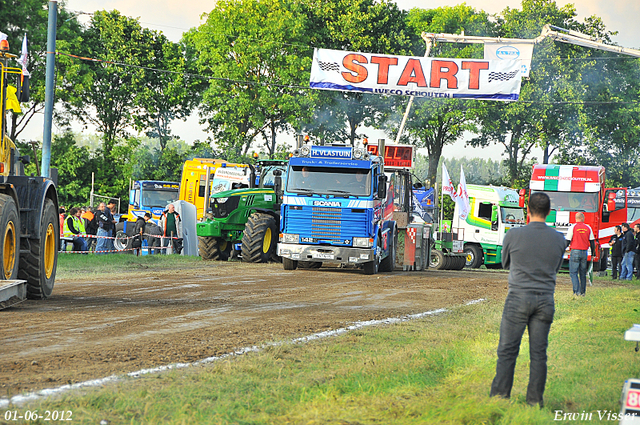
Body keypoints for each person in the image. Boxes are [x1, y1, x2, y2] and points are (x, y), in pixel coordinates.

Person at [490, 192, 566, 408]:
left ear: (528, 211)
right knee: (539, 353)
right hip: (545, 300)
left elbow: (505, 263)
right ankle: (534, 401)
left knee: (507, 350)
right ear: (549, 212)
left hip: (518, 297)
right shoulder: (559, 239)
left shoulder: (513, 235)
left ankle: (499, 397)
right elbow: (555, 268)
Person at [566, 212, 595, 296]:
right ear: (582, 218)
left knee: (573, 272)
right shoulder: (588, 227)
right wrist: (593, 253)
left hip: (575, 251)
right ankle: (583, 292)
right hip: (584, 252)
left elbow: (567, 240)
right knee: (582, 273)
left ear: (576, 218)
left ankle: (576, 291)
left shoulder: (572, 227)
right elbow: (592, 242)